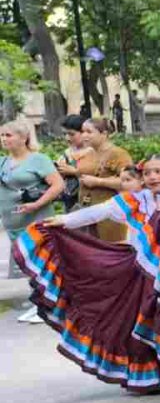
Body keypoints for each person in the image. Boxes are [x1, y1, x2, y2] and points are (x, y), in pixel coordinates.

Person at [1, 118, 65, 321]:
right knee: (25, 262)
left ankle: (49, 304)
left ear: (24, 137)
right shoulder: (3, 161)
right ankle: (40, 302)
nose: (3, 139)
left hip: (35, 218)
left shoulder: (38, 159)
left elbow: (58, 185)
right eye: (2, 135)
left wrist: (37, 204)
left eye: (8, 135)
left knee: (41, 259)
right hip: (12, 221)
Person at [72, 117, 135, 242]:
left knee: (111, 251)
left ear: (104, 134)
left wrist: (98, 182)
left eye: (89, 132)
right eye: (82, 131)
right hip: (87, 211)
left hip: (110, 214)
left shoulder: (118, 153)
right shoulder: (88, 153)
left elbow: (130, 182)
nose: (84, 135)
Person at [53, 114, 87, 210]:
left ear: (84, 132)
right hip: (70, 202)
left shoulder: (94, 152)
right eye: (65, 134)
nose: (67, 138)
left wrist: (74, 172)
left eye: (71, 134)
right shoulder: (66, 153)